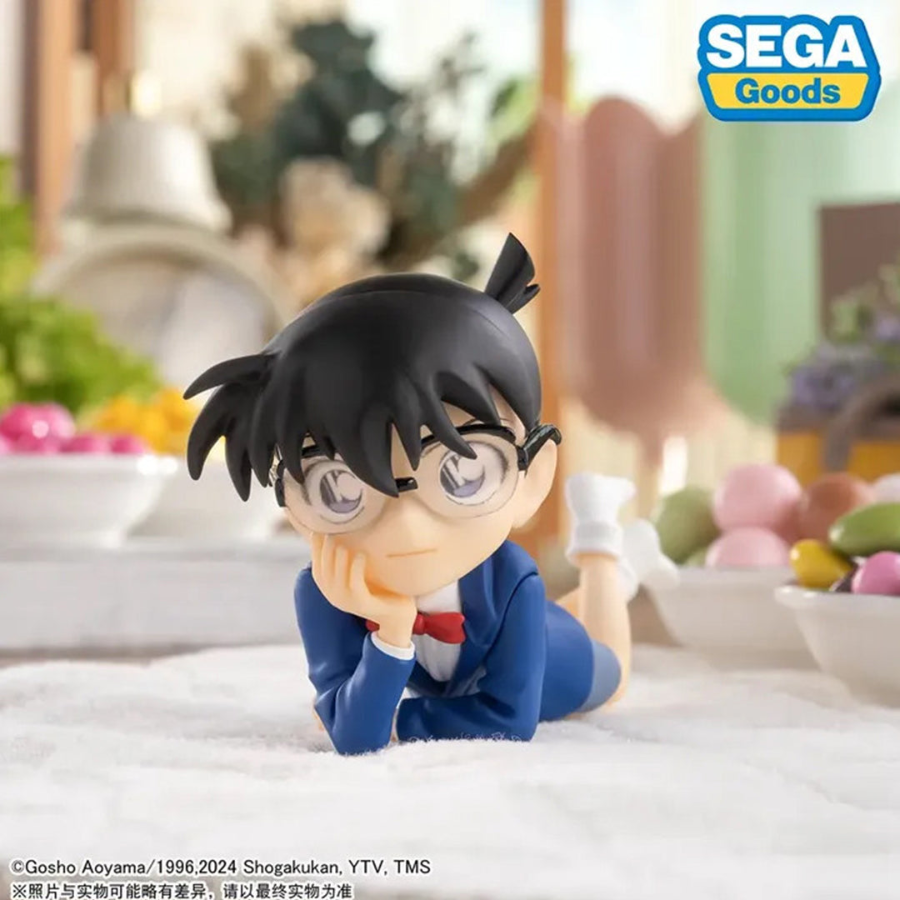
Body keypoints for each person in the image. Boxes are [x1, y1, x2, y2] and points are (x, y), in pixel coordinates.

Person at [185, 234, 672, 755]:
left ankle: (603, 549)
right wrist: (392, 633)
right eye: (342, 485)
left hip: (558, 658)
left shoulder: (514, 579)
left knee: (610, 669)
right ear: (294, 507)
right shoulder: (324, 588)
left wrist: (396, 717)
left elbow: (508, 719)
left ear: (530, 479)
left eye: (461, 471)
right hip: (472, 659)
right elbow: (351, 734)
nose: (406, 525)